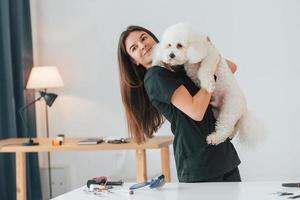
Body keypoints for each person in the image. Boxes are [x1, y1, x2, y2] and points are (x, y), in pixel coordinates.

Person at [117, 25, 241, 182]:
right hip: (199, 162)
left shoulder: (177, 64)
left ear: (154, 38)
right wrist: (208, 73)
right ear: (134, 61)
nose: (142, 45)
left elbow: (231, 68)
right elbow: (196, 111)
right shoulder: (155, 76)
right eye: (134, 48)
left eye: (143, 38)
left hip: (222, 154)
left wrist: (209, 51)